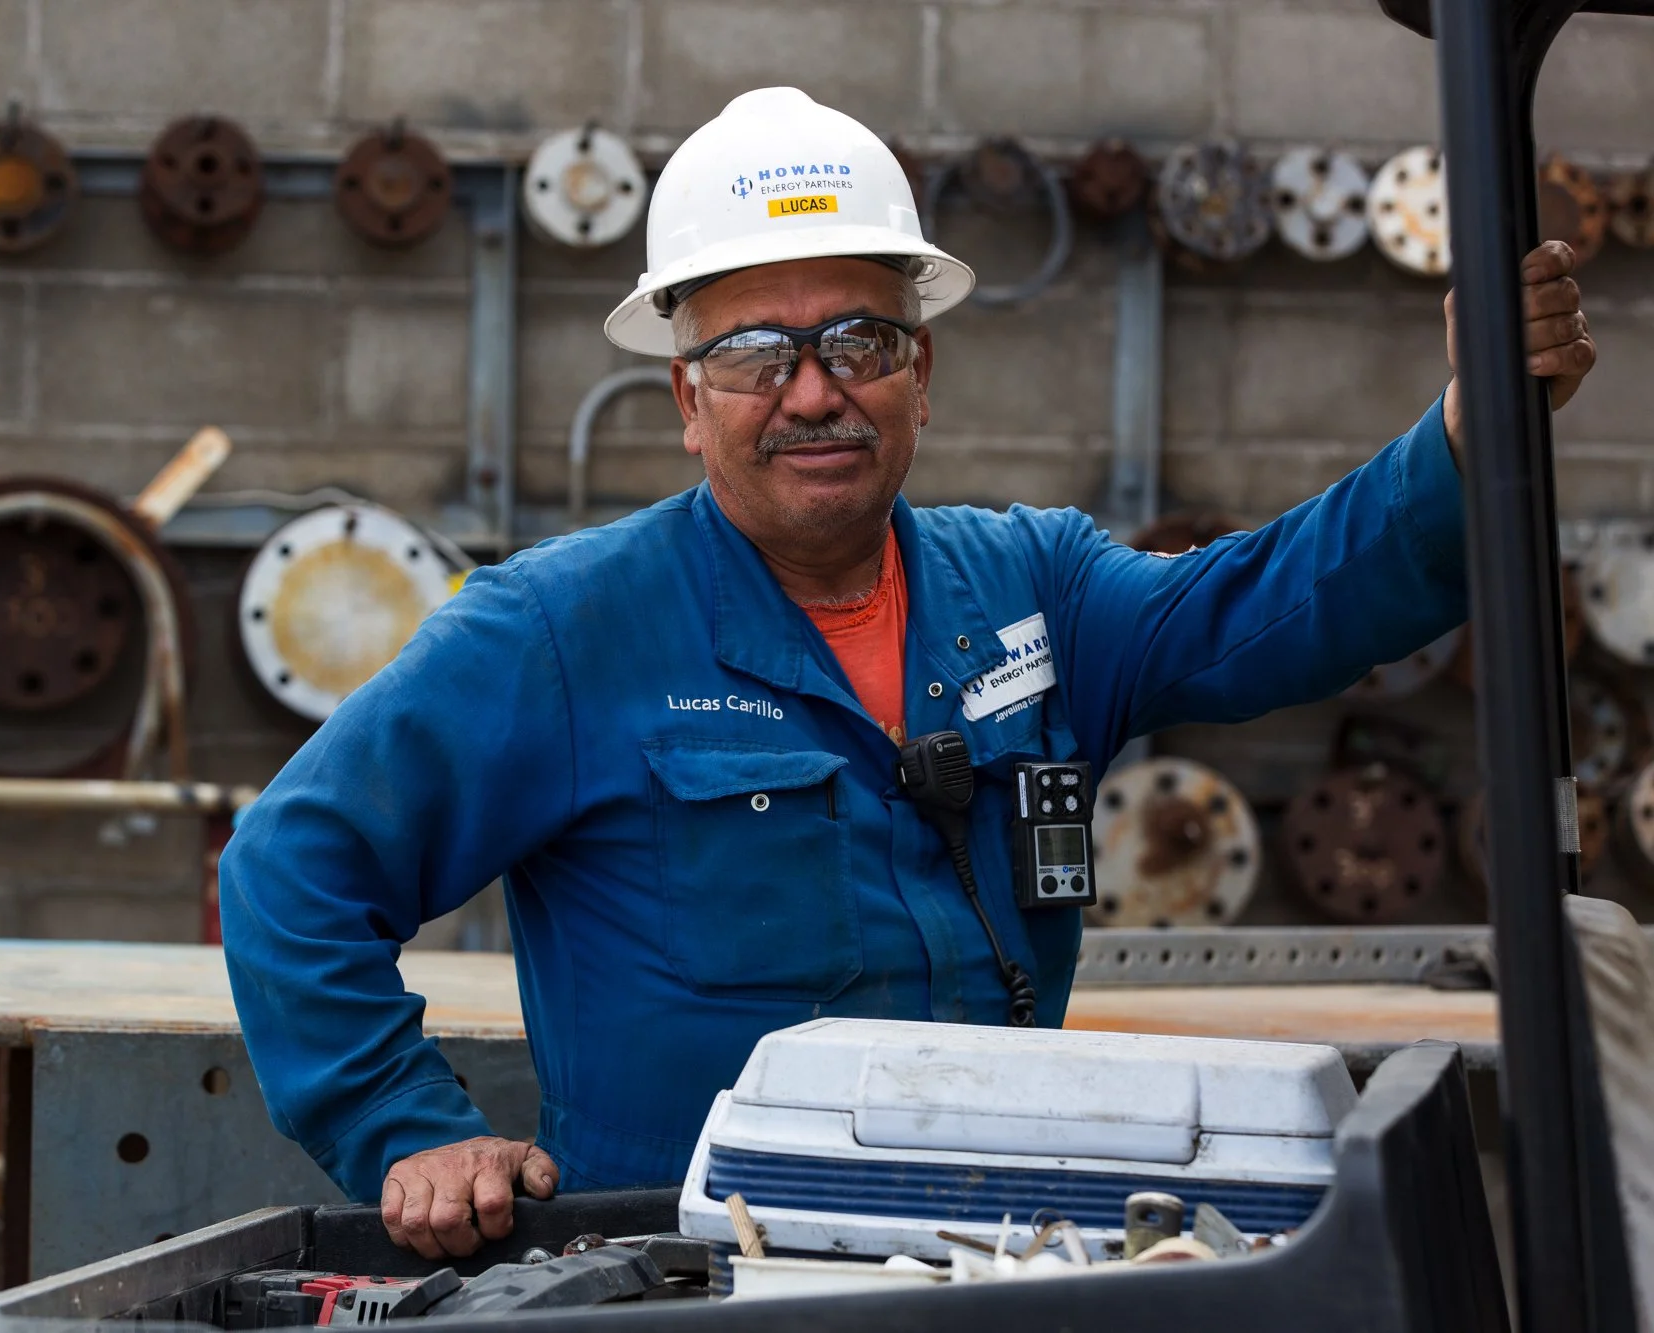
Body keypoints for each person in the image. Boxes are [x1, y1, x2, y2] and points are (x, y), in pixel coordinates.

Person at [220, 87, 1597, 1260]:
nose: (814, 391)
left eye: (860, 341)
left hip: (1000, 1261)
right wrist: (413, 1131)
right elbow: (292, 869)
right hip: (692, 1276)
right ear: (687, 402)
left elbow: (1277, 607)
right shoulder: (562, 633)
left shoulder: (1035, 589)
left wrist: (1466, 441)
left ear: (921, 375)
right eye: (756, 352)